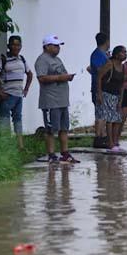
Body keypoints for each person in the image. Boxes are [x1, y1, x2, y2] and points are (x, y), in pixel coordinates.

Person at [35, 35, 78, 164]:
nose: (58, 48)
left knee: (64, 128)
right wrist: (60, 78)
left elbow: (61, 74)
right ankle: (51, 155)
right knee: (50, 129)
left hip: (62, 100)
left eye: (58, 46)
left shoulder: (57, 59)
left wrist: (67, 77)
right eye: (55, 45)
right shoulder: (42, 60)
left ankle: (65, 153)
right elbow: (41, 78)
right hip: (50, 101)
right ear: (47, 46)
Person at [0, 35, 33, 149]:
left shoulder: (22, 59)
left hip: (19, 95)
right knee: (4, 120)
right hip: (7, 95)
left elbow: (30, 74)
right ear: (9, 46)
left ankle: (20, 146)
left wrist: (26, 89)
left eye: (18, 45)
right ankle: (5, 146)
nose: (16, 47)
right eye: (13, 44)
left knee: (17, 120)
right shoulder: (3, 59)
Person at [96, 45, 127, 151]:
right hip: (107, 93)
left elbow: (123, 84)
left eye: (126, 52)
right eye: (123, 52)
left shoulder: (123, 67)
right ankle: (110, 143)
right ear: (117, 54)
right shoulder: (110, 64)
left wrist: (121, 99)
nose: (125, 54)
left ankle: (114, 141)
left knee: (117, 119)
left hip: (117, 95)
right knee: (109, 119)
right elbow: (99, 77)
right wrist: (99, 94)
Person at [88, 32, 110, 148]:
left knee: (103, 113)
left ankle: (103, 136)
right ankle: (98, 138)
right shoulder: (97, 54)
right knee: (100, 113)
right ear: (106, 41)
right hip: (98, 88)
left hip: (104, 88)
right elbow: (98, 70)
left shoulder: (103, 54)